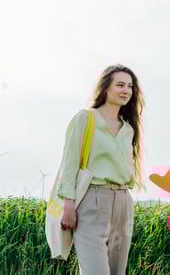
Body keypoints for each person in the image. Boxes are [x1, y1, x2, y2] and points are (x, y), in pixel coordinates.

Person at [57, 64, 145, 275]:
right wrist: (68, 204)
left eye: (130, 86)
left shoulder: (128, 128)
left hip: (123, 201)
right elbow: (69, 165)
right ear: (106, 88)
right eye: (120, 85)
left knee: (117, 272)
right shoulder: (85, 119)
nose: (126, 90)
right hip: (92, 200)